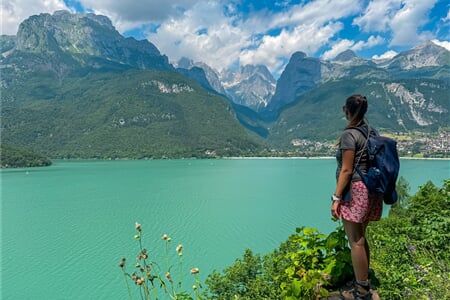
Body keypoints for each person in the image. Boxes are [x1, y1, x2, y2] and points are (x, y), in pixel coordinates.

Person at [331, 94, 383, 300]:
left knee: (356, 241)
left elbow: (346, 170)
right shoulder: (372, 132)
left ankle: (361, 291)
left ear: (346, 111)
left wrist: (336, 198)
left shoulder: (349, 135)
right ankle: (364, 280)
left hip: (356, 192)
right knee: (362, 238)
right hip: (372, 190)